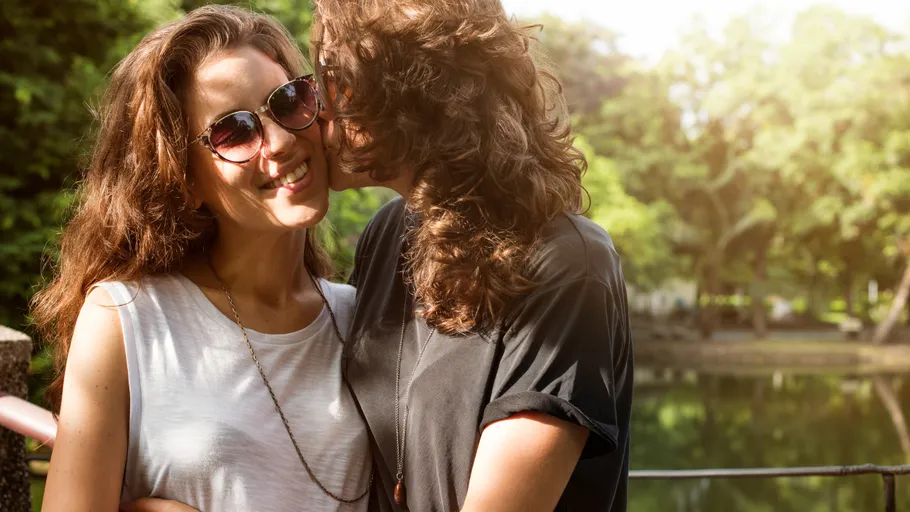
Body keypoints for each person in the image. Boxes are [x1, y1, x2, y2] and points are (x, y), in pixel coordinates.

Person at [32, 6, 371, 511]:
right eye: (234, 132)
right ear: (184, 179)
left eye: (288, 100)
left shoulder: (366, 317)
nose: (280, 141)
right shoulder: (128, 320)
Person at [311, 0, 634, 510]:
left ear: (412, 97)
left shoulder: (568, 266)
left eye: (335, 82)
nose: (317, 109)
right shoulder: (388, 236)